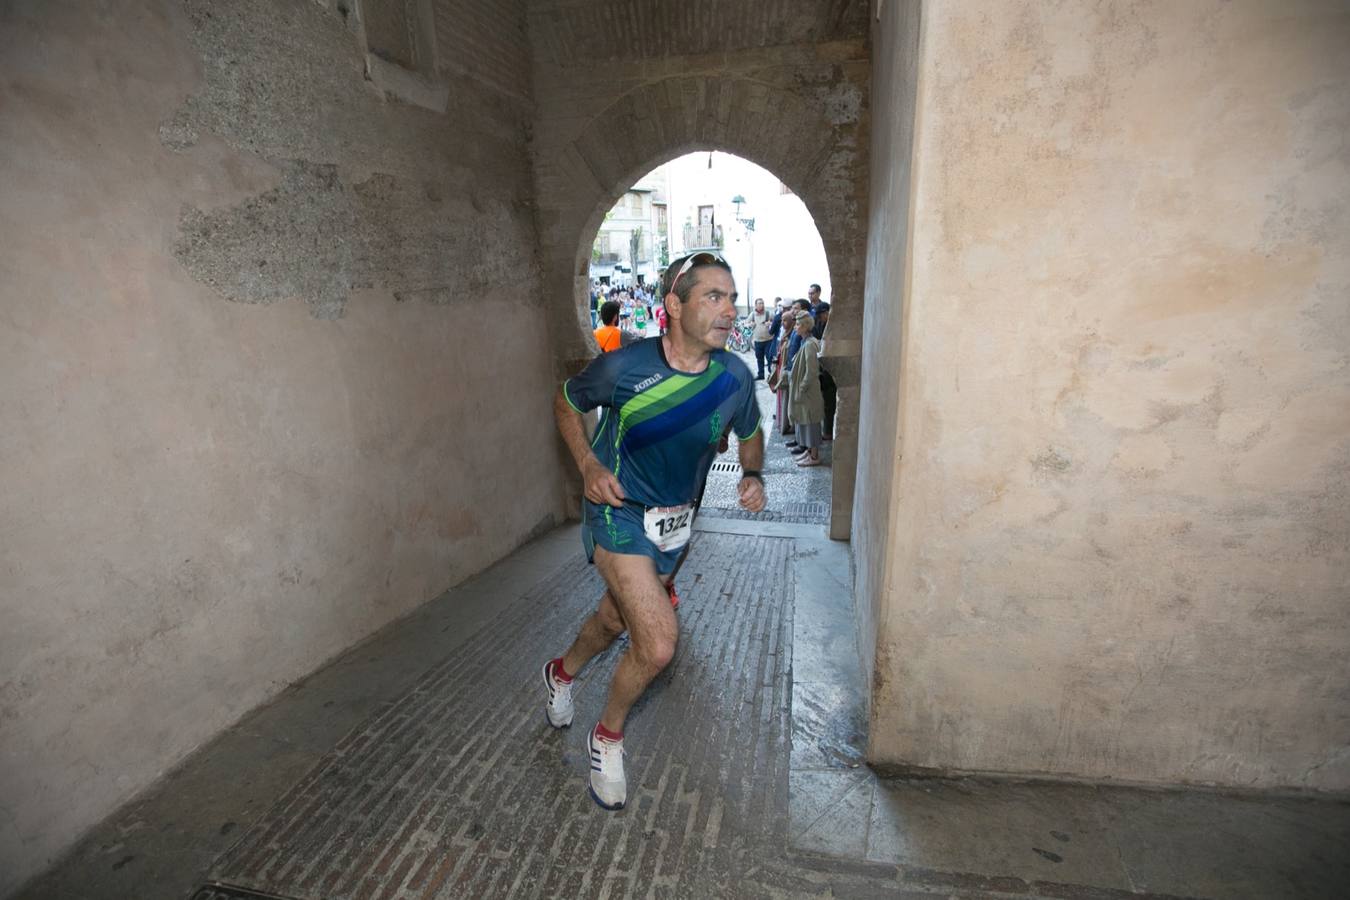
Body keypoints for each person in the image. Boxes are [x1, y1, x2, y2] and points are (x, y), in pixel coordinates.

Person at [545, 251, 767, 811]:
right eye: (713, 297)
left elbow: (751, 430)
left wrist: (753, 472)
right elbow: (567, 403)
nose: (729, 310)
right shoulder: (626, 368)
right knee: (659, 642)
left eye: (732, 298)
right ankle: (608, 736)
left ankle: (560, 672)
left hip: (675, 524)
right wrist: (589, 467)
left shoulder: (735, 377)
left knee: (617, 616)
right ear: (674, 305)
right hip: (617, 510)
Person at [787, 313, 825, 466]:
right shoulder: (805, 342)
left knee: (811, 422)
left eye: (797, 325)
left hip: (808, 391)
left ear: (804, 326)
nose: (795, 327)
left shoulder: (809, 344)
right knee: (805, 421)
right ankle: (809, 452)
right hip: (805, 391)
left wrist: (801, 387)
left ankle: (814, 456)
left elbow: (812, 371)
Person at [749, 298, 773, 380]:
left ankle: (772, 375)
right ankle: (761, 375)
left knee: (769, 358)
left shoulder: (768, 313)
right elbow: (746, 323)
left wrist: (770, 323)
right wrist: (750, 324)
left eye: (762, 303)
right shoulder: (752, 314)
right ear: (756, 305)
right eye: (759, 303)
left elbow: (777, 323)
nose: (761, 305)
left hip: (768, 340)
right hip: (758, 341)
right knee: (759, 358)